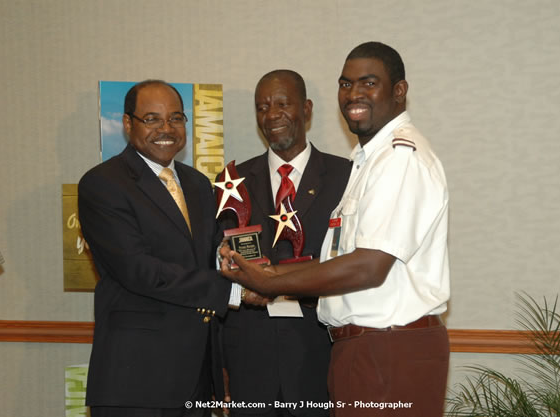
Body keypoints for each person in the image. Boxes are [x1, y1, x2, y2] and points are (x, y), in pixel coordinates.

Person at [220, 42, 451, 417]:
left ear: (399, 91)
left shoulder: (399, 159)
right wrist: (263, 273)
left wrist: (269, 281)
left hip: (387, 349)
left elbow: (368, 267)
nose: (354, 94)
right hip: (361, 349)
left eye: (369, 82)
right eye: (346, 84)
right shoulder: (365, 162)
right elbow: (336, 258)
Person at [79, 80, 248, 416]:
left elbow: (207, 256)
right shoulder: (103, 184)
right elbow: (139, 271)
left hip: (196, 377)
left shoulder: (198, 184)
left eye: (175, 118)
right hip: (137, 381)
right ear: (128, 124)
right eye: (152, 119)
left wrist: (243, 265)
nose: (166, 129)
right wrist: (234, 292)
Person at [219, 70, 351, 417]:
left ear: (306, 109)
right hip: (249, 362)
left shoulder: (347, 177)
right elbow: (218, 271)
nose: (271, 115)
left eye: (282, 104)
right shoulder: (232, 183)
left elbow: (355, 265)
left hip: (320, 358)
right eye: (262, 107)